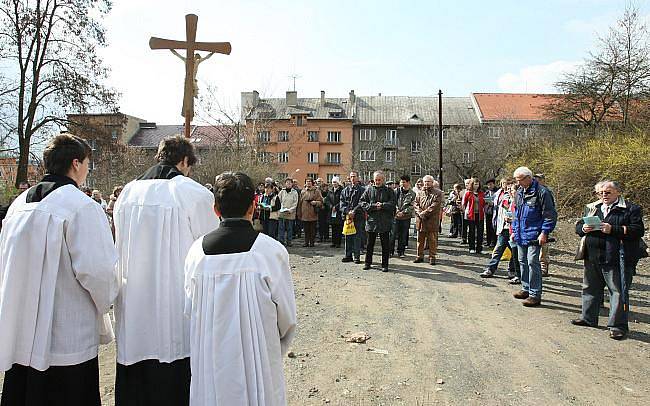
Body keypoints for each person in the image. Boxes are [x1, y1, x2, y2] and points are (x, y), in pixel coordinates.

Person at [0, 134, 119, 406]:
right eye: (88, 163)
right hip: (67, 335)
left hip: (21, 333)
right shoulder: (81, 206)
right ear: (76, 164)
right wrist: (107, 301)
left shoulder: (19, 206)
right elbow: (98, 272)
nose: (88, 169)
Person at [113, 136, 219, 406]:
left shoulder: (127, 193)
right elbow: (209, 246)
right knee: (174, 364)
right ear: (184, 161)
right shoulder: (193, 193)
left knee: (137, 364)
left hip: (134, 297)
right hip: (174, 298)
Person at [184, 171, 296, 405]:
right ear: (254, 206)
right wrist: (273, 347)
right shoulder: (270, 252)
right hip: (258, 361)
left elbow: (190, 309)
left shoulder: (196, 253)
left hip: (211, 361)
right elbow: (286, 318)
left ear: (215, 209)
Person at [572, 180, 644, 340]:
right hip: (592, 255)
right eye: (600, 193)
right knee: (589, 288)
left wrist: (613, 229)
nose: (604, 195)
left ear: (618, 192)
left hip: (617, 257)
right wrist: (583, 229)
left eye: (607, 192)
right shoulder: (593, 207)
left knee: (618, 292)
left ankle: (617, 326)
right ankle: (588, 318)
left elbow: (638, 230)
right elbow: (578, 226)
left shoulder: (631, 209)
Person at [511, 167, 557, 307]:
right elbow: (517, 214)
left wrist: (544, 232)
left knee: (532, 262)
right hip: (520, 233)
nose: (518, 183)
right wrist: (514, 230)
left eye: (520, 180)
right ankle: (525, 288)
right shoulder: (519, 192)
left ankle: (535, 294)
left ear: (528, 178)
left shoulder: (542, 192)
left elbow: (549, 214)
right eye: (516, 180)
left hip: (534, 233)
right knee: (522, 261)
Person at [359, 171, 397, 272]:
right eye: (376, 180)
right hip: (372, 222)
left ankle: (385, 265)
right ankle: (368, 263)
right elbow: (362, 202)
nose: (377, 182)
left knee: (385, 245)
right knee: (370, 244)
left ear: (383, 180)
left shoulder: (389, 191)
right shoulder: (368, 190)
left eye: (379, 180)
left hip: (385, 221)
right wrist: (373, 206)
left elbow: (393, 203)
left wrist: (383, 205)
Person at [480, 178, 517, 278]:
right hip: (503, 227)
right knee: (498, 249)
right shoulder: (503, 196)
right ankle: (491, 269)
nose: (508, 189)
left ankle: (512, 270)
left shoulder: (519, 199)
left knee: (515, 251)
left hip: (514, 229)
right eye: (507, 187)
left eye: (511, 188)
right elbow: (502, 210)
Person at [413, 175, 444, 265]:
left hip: (432, 220)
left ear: (432, 182)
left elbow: (435, 206)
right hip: (421, 220)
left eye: (428, 181)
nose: (426, 183)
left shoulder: (438, 193)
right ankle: (419, 256)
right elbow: (415, 203)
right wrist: (419, 212)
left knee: (432, 240)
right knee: (420, 240)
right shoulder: (420, 192)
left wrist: (425, 213)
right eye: (425, 181)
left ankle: (432, 257)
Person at [340, 171, 366, 264]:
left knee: (357, 237)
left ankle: (356, 257)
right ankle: (348, 255)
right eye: (351, 177)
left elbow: (362, 203)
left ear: (358, 178)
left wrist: (354, 211)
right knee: (348, 236)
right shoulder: (345, 190)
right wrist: (347, 211)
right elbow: (342, 203)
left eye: (354, 176)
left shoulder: (362, 190)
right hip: (348, 217)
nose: (352, 178)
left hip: (358, 216)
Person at [391, 174, 416, 258]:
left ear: (408, 182)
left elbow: (412, 206)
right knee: (392, 235)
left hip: (405, 217)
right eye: (401, 182)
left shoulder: (412, 194)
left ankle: (401, 251)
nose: (402, 184)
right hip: (395, 216)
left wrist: (404, 212)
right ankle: (390, 251)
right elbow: (392, 202)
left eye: (404, 182)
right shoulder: (396, 191)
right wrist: (397, 210)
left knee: (403, 235)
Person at [534, 173, 553, 276]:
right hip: (534, 222)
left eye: (539, 179)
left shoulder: (547, 191)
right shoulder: (533, 191)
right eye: (535, 179)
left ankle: (543, 267)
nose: (537, 181)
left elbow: (551, 209)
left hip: (544, 221)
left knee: (544, 245)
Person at [462, 178, 486, 254]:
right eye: (475, 184)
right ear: (472, 185)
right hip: (471, 215)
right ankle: (471, 247)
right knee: (471, 231)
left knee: (480, 232)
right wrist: (466, 212)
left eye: (478, 184)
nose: (476, 186)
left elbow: (484, 202)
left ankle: (479, 248)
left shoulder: (481, 193)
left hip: (480, 215)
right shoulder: (468, 193)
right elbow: (464, 204)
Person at [297, 178, 323, 247]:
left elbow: (321, 202)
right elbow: (300, 203)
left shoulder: (316, 191)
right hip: (304, 213)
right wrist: (299, 213)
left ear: (312, 183)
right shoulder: (303, 192)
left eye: (309, 182)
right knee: (306, 230)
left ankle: (312, 242)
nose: (308, 183)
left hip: (313, 213)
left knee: (312, 230)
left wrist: (315, 202)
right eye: (307, 182)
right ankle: (306, 242)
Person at [278, 178, 299, 247]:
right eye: (287, 182)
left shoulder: (295, 192)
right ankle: (281, 241)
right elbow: (278, 201)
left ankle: (289, 241)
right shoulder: (282, 191)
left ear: (292, 184)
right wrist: (282, 208)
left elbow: (295, 202)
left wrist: (291, 209)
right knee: (281, 228)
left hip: (290, 213)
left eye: (290, 183)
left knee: (289, 228)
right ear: (285, 183)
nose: (288, 184)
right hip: (282, 213)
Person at [327, 176, 344, 248]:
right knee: (333, 228)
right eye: (333, 182)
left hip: (339, 211)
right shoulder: (330, 190)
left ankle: (338, 242)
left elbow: (342, 200)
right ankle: (333, 242)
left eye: (335, 182)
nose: (334, 184)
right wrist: (331, 206)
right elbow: (327, 200)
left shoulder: (342, 190)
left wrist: (336, 207)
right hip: (332, 212)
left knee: (339, 228)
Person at [484, 179, 498, 247]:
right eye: (488, 185)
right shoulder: (486, 192)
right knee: (488, 226)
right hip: (487, 211)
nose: (489, 186)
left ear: (494, 184)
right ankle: (488, 241)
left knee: (493, 227)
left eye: (491, 184)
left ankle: (493, 241)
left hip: (494, 211)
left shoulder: (497, 192)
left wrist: (493, 203)